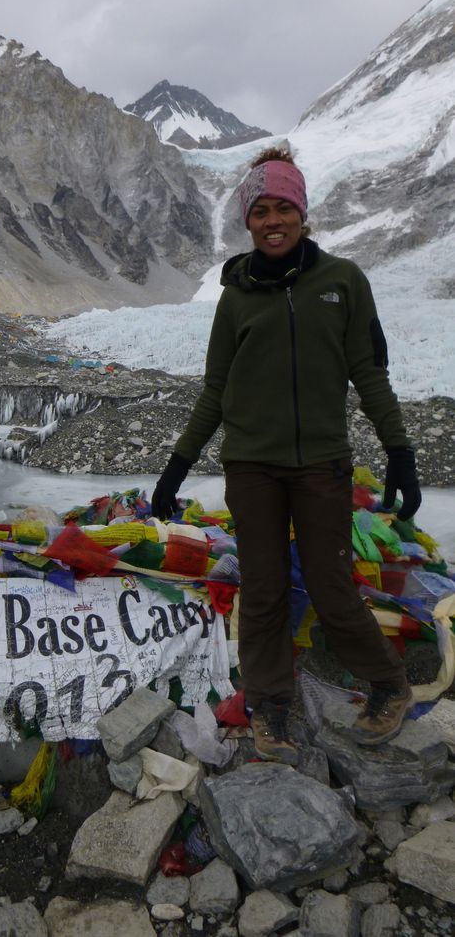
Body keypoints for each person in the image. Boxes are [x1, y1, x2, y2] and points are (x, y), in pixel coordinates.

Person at [151, 146, 422, 765]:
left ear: (303, 213)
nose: (272, 221)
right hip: (251, 467)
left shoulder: (343, 282)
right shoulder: (236, 298)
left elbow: (368, 371)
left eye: (284, 208)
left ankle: (389, 684)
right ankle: (269, 703)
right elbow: (215, 389)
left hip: (321, 464)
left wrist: (399, 450)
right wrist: (177, 466)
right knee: (266, 588)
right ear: (246, 221)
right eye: (260, 211)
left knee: (331, 585)